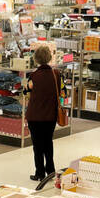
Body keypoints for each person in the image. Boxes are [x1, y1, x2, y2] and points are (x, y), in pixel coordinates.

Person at [24, 45, 61, 181]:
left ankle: (39, 173)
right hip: (50, 115)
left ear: (36, 59)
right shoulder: (56, 74)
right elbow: (62, 90)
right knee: (48, 143)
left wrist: (28, 87)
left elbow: (25, 91)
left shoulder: (34, 76)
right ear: (50, 57)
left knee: (37, 146)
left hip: (35, 116)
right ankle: (50, 170)